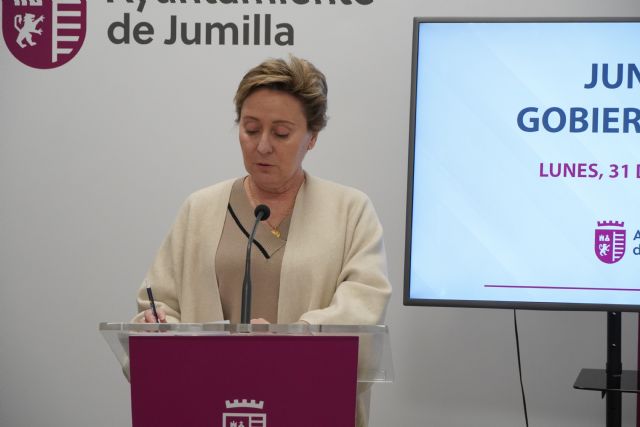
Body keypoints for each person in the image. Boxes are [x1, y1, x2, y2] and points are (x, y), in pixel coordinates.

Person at [134, 55, 391, 426]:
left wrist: (288, 341)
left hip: (309, 409)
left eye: (281, 133)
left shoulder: (349, 211)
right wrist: (157, 325)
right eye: (251, 129)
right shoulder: (200, 209)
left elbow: (363, 315)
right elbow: (159, 303)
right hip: (207, 407)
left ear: (312, 137)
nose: (263, 146)